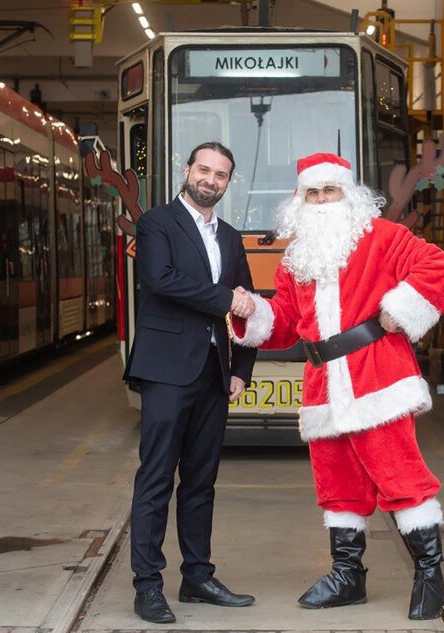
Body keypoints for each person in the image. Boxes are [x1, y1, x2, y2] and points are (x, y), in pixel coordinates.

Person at [231, 153, 444, 620]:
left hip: (378, 378)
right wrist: (254, 313)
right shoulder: (297, 258)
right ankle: (347, 575)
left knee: (399, 475)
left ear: (347, 193)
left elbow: (437, 268)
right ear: (301, 199)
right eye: (312, 193)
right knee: (337, 484)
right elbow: (287, 322)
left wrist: (399, 310)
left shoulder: (384, 237)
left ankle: (430, 576)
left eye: (329, 190)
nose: (320, 200)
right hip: (322, 386)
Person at [123, 141, 258, 624]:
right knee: (157, 477)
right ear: (187, 170)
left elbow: (247, 303)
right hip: (166, 369)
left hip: (213, 372)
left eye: (221, 175)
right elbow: (162, 280)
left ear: (227, 183)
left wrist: (241, 369)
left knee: (201, 481)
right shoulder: (156, 223)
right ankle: (147, 586)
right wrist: (225, 299)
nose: (210, 180)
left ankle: (198, 577)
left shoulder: (231, 237)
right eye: (204, 170)